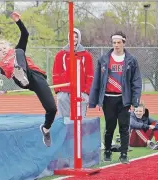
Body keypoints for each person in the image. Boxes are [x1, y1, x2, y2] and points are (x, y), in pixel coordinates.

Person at [0, 12, 57, 147]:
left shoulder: (16, 50)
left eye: (4, 48)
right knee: (19, 55)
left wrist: (18, 21)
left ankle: (46, 128)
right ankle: (20, 74)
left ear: (9, 47)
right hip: (20, 80)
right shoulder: (0, 65)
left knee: (52, 109)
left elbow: (25, 34)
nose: (2, 51)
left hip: (36, 77)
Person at [88, 31, 142, 164]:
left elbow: (136, 81)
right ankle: (107, 151)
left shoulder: (131, 60)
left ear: (124, 43)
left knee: (124, 127)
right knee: (110, 126)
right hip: (108, 98)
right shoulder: (103, 59)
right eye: (114, 42)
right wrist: (94, 100)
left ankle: (124, 154)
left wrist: (135, 101)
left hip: (124, 99)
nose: (116, 45)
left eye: (119, 42)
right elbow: (97, 81)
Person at [52, 28, 94, 123]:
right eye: (72, 36)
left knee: (80, 120)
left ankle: (79, 137)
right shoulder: (61, 54)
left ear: (79, 38)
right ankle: (65, 137)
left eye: (76, 36)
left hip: (81, 91)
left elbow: (90, 75)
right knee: (63, 120)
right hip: (64, 91)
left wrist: (86, 92)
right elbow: (56, 72)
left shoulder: (86, 55)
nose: (74, 39)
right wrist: (58, 91)